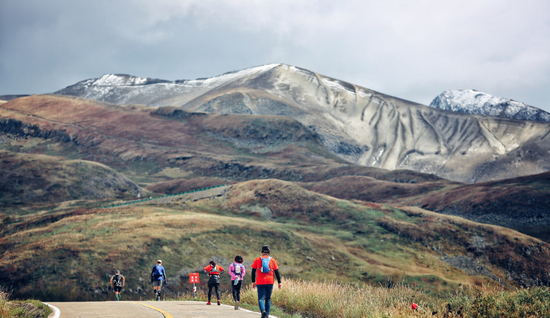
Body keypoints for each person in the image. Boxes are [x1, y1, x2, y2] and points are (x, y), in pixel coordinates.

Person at [251, 245, 282, 318]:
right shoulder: (272, 260)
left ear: (261, 252)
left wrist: (253, 281)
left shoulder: (257, 259)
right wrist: (279, 282)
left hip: (260, 282)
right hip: (270, 281)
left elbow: (253, 271)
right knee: (268, 299)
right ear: (269, 252)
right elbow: (276, 271)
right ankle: (266, 315)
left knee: (261, 298)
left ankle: (263, 311)